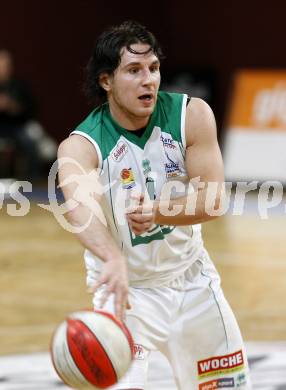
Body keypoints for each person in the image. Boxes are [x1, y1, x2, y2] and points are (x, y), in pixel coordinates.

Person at [58, 21, 252, 390]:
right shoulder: (80, 146)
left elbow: (213, 201)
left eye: (153, 68)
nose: (148, 79)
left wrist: (157, 213)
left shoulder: (191, 115)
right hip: (126, 291)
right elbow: (80, 212)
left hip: (193, 282)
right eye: (134, 70)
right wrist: (111, 258)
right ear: (106, 81)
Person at [0, 49, 41, 180]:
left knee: (29, 143)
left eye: (6, 65)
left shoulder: (18, 86)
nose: (3, 68)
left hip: (15, 128)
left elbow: (31, 110)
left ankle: (33, 181)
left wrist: (12, 107)